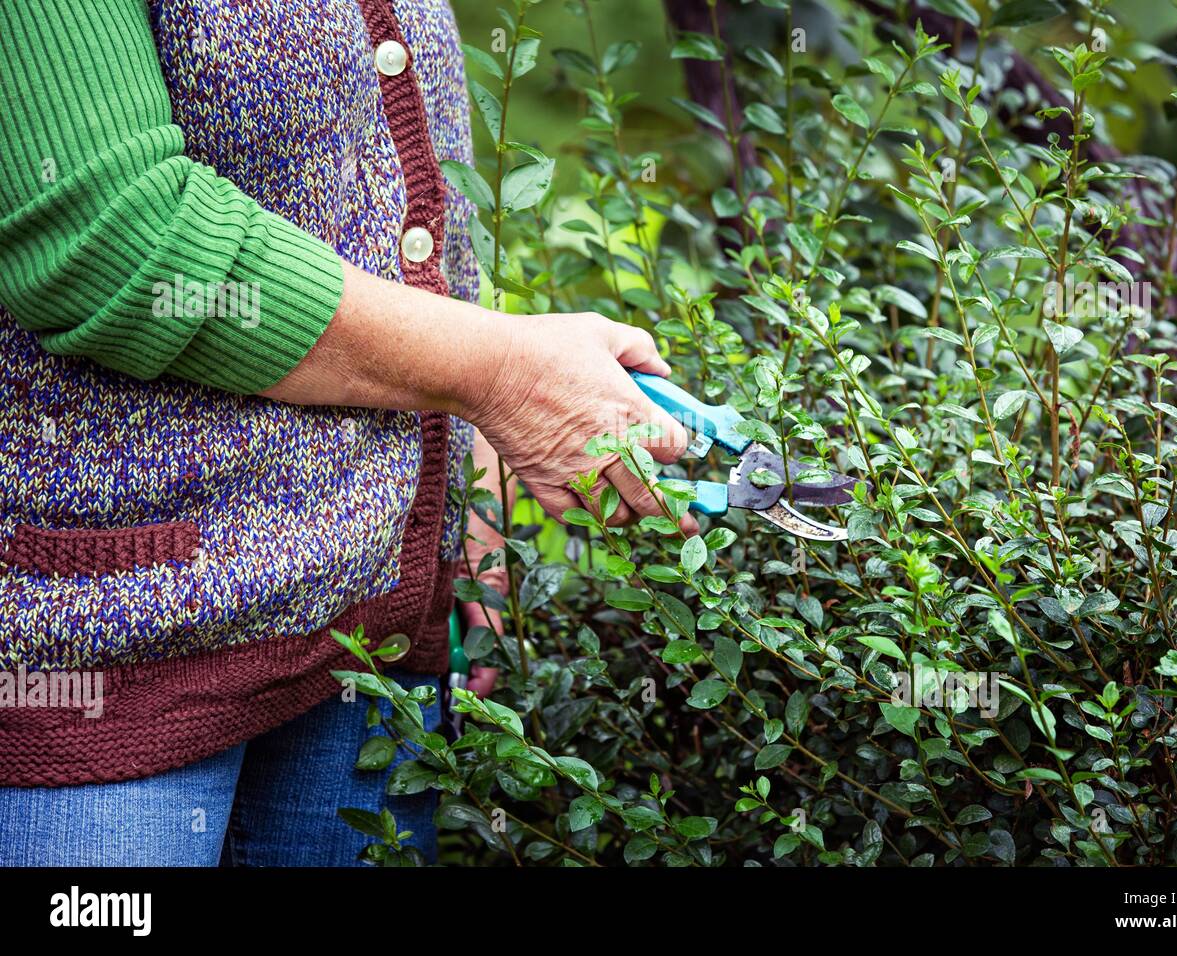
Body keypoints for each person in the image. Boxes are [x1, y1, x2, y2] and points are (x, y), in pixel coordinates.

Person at [0, 0, 690, 865]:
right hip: (111, 660)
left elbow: (382, 174)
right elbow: (109, 236)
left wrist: (461, 469)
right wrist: (503, 373)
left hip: (369, 640)